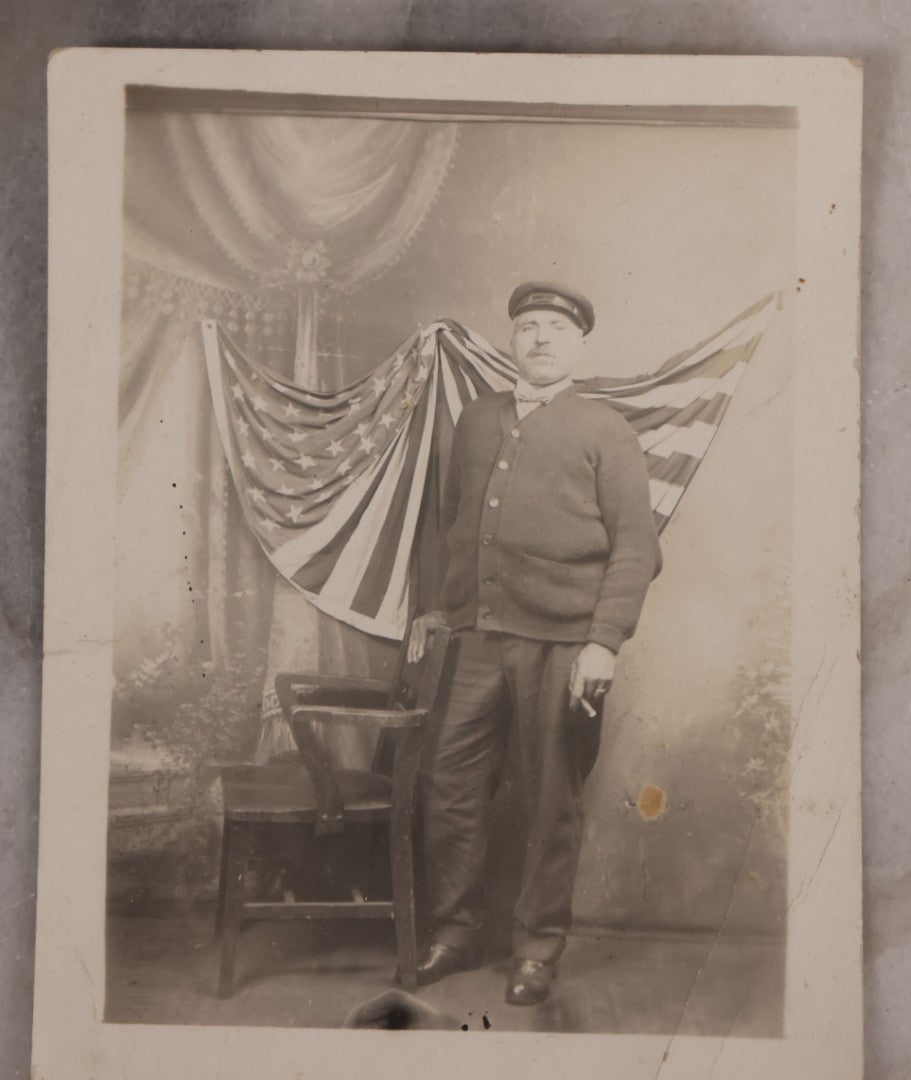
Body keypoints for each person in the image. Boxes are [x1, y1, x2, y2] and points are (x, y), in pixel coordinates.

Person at [407, 282, 662, 1006]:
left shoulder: (603, 428)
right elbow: (448, 522)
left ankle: (536, 949)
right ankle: (453, 934)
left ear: (578, 345)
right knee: (447, 786)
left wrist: (602, 643)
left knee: (552, 798)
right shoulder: (477, 417)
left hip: (562, 646)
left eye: (553, 327)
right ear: (510, 342)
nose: (539, 338)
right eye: (526, 327)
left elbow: (637, 547)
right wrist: (436, 607)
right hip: (474, 639)